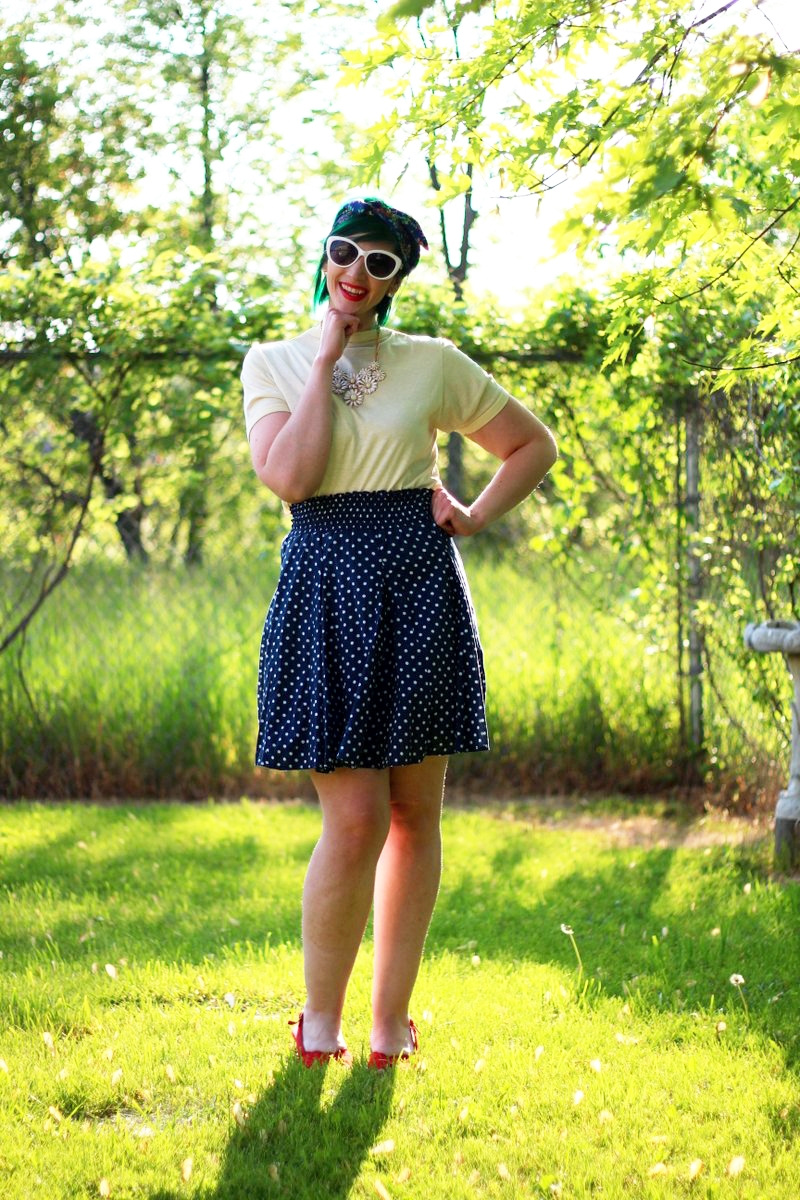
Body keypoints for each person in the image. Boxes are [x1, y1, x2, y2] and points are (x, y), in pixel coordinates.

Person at [241, 197, 557, 1070]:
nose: (357, 272)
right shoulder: (272, 362)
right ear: (327, 255)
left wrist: (475, 514)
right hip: (327, 583)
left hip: (419, 582)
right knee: (353, 821)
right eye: (347, 252)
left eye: (380, 263)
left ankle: (388, 1027)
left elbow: (532, 445)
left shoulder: (432, 363)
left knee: (416, 816)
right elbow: (291, 479)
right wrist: (324, 363)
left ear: (397, 281)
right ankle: (320, 1024)